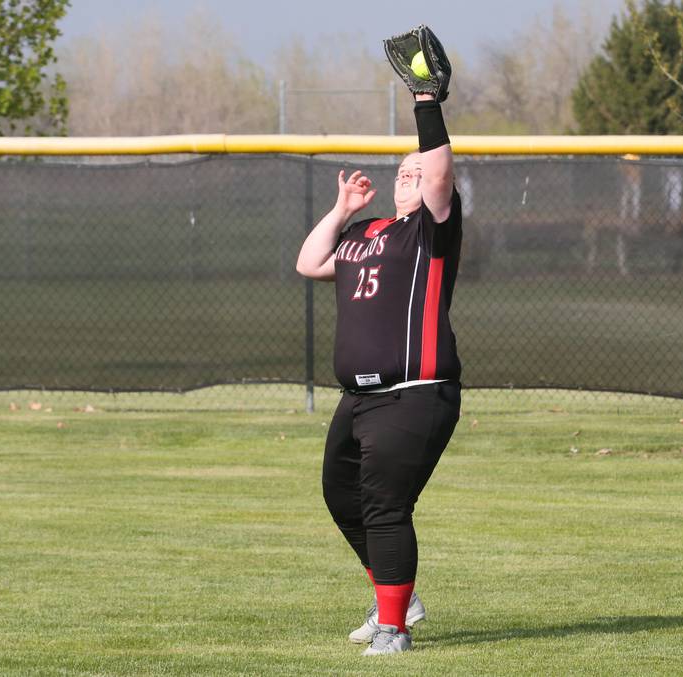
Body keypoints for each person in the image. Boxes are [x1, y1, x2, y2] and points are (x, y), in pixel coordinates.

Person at [295, 37, 462, 657]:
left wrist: (426, 102)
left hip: (414, 394)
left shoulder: (431, 232)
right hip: (359, 399)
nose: (408, 176)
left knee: (385, 506)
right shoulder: (367, 232)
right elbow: (309, 261)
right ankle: (398, 596)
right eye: (402, 171)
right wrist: (341, 209)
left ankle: (393, 628)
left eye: (416, 171)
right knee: (341, 496)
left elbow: (440, 170)